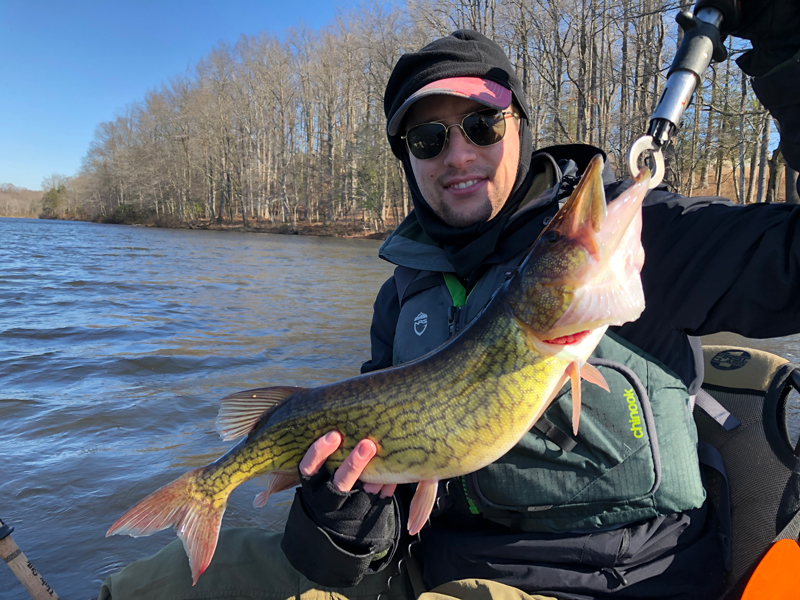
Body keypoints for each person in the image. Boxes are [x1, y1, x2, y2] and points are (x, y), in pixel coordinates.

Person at [99, 4, 800, 599]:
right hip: (427, 570)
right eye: (429, 139)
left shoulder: (654, 243)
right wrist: (339, 515)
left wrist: (786, 50)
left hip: (616, 580)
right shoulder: (403, 298)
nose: (458, 153)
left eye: (482, 125)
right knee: (144, 586)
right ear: (408, 160)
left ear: (520, 127)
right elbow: (357, 553)